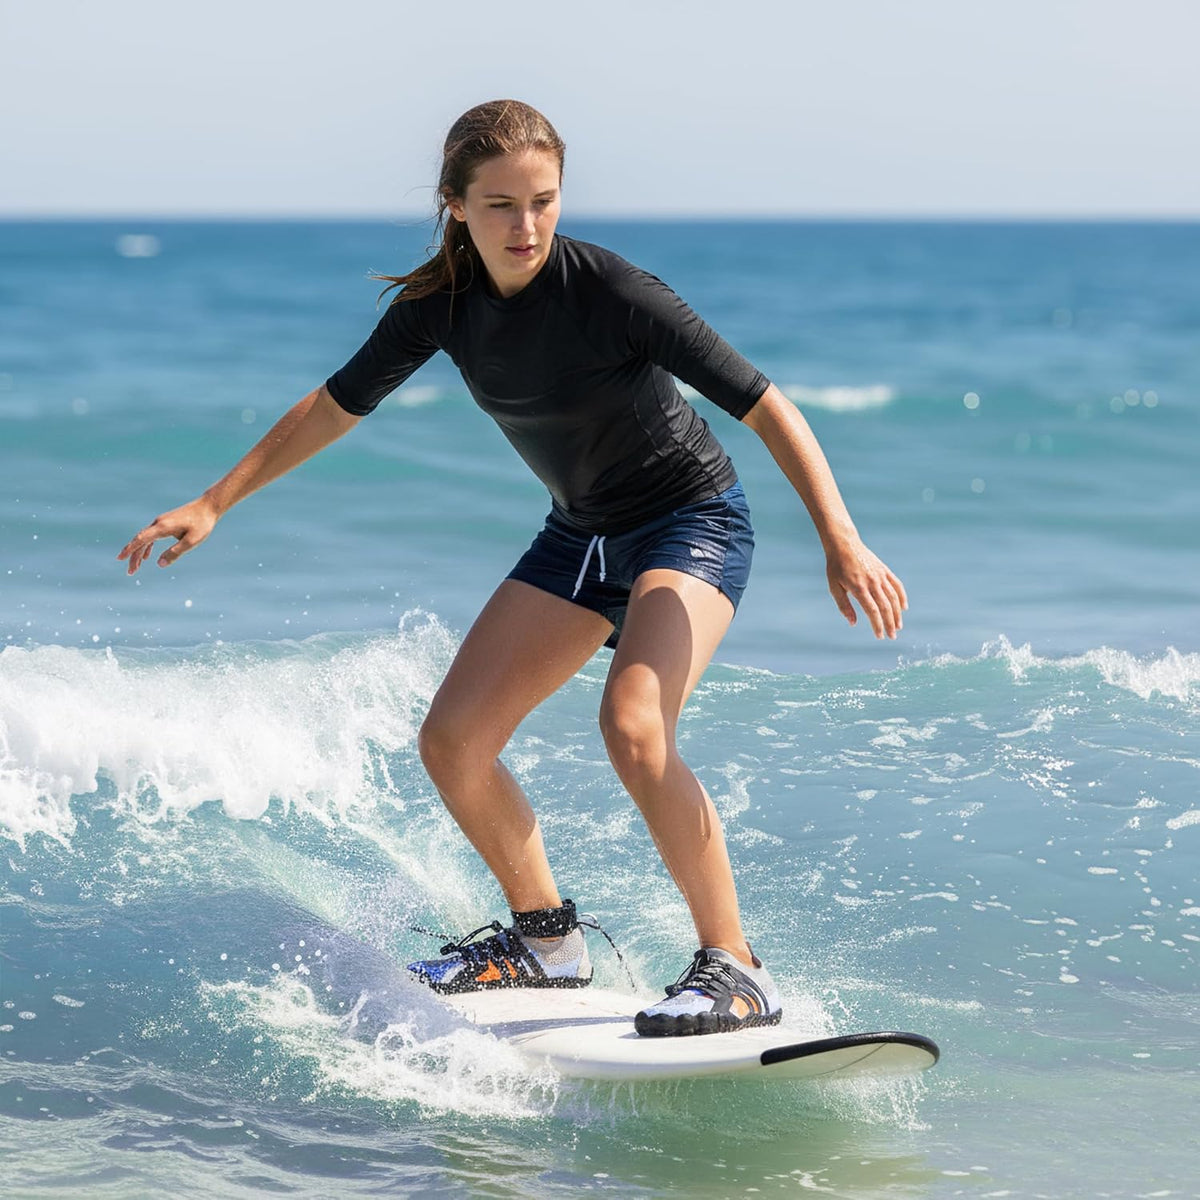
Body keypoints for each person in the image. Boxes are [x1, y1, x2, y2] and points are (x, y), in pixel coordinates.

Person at [118, 99, 907, 1038]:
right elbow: (337, 405)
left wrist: (840, 537)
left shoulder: (614, 291)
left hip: (689, 523)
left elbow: (768, 405)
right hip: (582, 534)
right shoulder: (443, 308)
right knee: (453, 740)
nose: (525, 225)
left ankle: (736, 968)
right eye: (499, 204)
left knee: (633, 725)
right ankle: (544, 943)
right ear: (455, 204)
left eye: (542, 200)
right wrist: (216, 499)